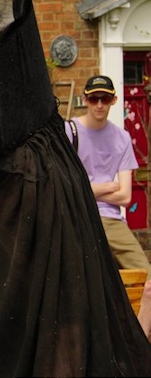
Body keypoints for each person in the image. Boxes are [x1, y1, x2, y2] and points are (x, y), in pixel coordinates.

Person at [66, 74, 151, 278]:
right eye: (94, 98)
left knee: (146, 278)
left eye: (105, 98)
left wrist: (85, 188)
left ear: (114, 100)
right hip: (76, 214)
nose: (100, 104)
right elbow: (65, 186)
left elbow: (125, 197)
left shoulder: (122, 137)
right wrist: (108, 186)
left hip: (110, 219)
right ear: (85, 100)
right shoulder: (69, 132)